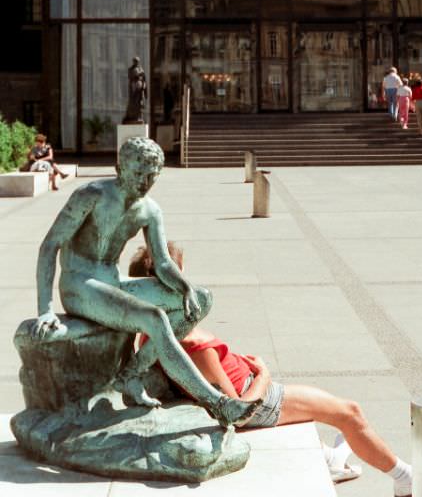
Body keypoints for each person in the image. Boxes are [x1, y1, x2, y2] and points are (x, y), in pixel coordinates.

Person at [129, 242, 413, 497]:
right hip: (263, 403)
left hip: (250, 386)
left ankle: (333, 460)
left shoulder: (153, 330)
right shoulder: (192, 345)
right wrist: (263, 374)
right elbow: (238, 412)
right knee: (350, 413)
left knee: (336, 419)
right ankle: (404, 478)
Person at [32, 135, 259, 429]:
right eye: (138, 173)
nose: (144, 181)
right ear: (120, 168)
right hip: (78, 284)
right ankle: (217, 403)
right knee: (152, 317)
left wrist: (185, 287)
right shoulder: (92, 194)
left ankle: (131, 374)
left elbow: (162, 263)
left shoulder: (150, 209)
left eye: (151, 175)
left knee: (201, 300)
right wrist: (45, 308)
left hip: (112, 282)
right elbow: (50, 244)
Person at [123, 56, 148, 124]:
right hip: (134, 87)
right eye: (135, 61)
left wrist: (144, 86)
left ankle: (139, 116)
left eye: (137, 61)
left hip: (140, 88)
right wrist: (137, 76)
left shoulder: (141, 69)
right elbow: (130, 77)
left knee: (140, 102)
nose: (136, 62)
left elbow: (144, 79)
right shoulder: (130, 69)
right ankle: (131, 116)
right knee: (133, 102)